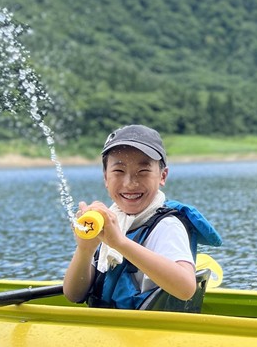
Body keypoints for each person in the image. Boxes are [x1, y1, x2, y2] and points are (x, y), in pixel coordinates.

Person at [63, 124, 221, 310]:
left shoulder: (168, 226)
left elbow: (186, 288)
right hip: (110, 331)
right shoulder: (110, 222)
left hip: (149, 334)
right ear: (106, 178)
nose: (130, 183)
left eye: (143, 171)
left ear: (162, 176)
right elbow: (73, 294)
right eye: (119, 171)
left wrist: (120, 243)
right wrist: (85, 249)